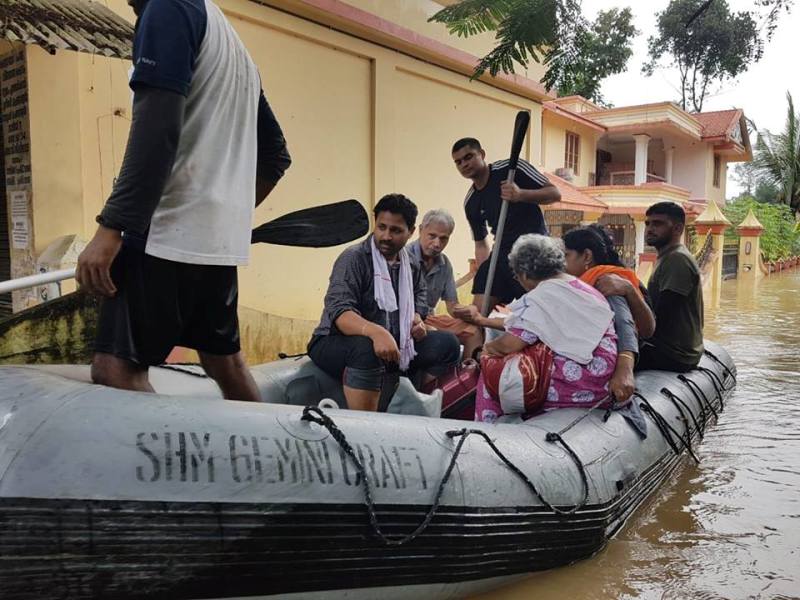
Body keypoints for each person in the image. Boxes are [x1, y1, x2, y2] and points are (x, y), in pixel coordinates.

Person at [76, 0, 291, 401]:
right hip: (214, 244)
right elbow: (276, 156)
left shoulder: (168, 8)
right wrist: (226, 217)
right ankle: (257, 459)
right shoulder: (233, 46)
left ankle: (158, 466)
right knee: (224, 362)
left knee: (116, 369)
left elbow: (157, 132)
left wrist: (112, 226)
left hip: (162, 229)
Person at [307, 194, 461, 412]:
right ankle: (366, 425)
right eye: (381, 227)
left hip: (395, 342)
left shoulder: (411, 265)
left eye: (396, 230)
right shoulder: (354, 258)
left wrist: (417, 320)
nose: (386, 236)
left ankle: (417, 408)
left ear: (410, 232)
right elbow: (340, 312)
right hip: (334, 341)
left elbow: (419, 297)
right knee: (368, 349)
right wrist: (375, 332)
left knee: (447, 344)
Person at [475, 234, 618, 423]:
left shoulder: (543, 296)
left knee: (492, 371)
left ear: (524, 275)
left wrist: (487, 351)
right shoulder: (583, 288)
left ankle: (484, 428)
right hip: (602, 379)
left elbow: (509, 345)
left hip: (576, 384)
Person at [450, 137, 561, 314]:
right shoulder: (471, 202)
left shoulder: (511, 168)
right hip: (502, 254)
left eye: (469, 157)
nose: (464, 164)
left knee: (538, 313)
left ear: (482, 154)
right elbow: (480, 243)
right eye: (458, 162)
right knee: (476, 315)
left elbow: (555, 193)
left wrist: (520, 194)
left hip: (534, 250)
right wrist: (485, 272)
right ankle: (480, 340)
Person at [563, 224, 656, 404]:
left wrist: (624, 370)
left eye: (566, 256)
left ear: (587, 256)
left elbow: (624, 323)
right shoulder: (583, 282)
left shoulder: (606, 281)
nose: (562, 264)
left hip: (612, 359)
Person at [636, 202, 704, 372]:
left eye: (658, 224)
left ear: (678, 229)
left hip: (674, 354)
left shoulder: (677, 259)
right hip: (668, 349)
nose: (650, 229)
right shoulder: (666, 257)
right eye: (648, 223)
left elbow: (663, 315)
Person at [407, 209, 478, 347]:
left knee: (473, 331)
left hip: (429, 319)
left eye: (443, 238)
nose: (437, 244)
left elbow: (452, 307)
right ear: (420, 230)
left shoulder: (445, 264)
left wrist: (469, 312)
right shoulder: (403, 258)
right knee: (441, 338)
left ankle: (468, 367)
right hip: (405, 320)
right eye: (432, 236)